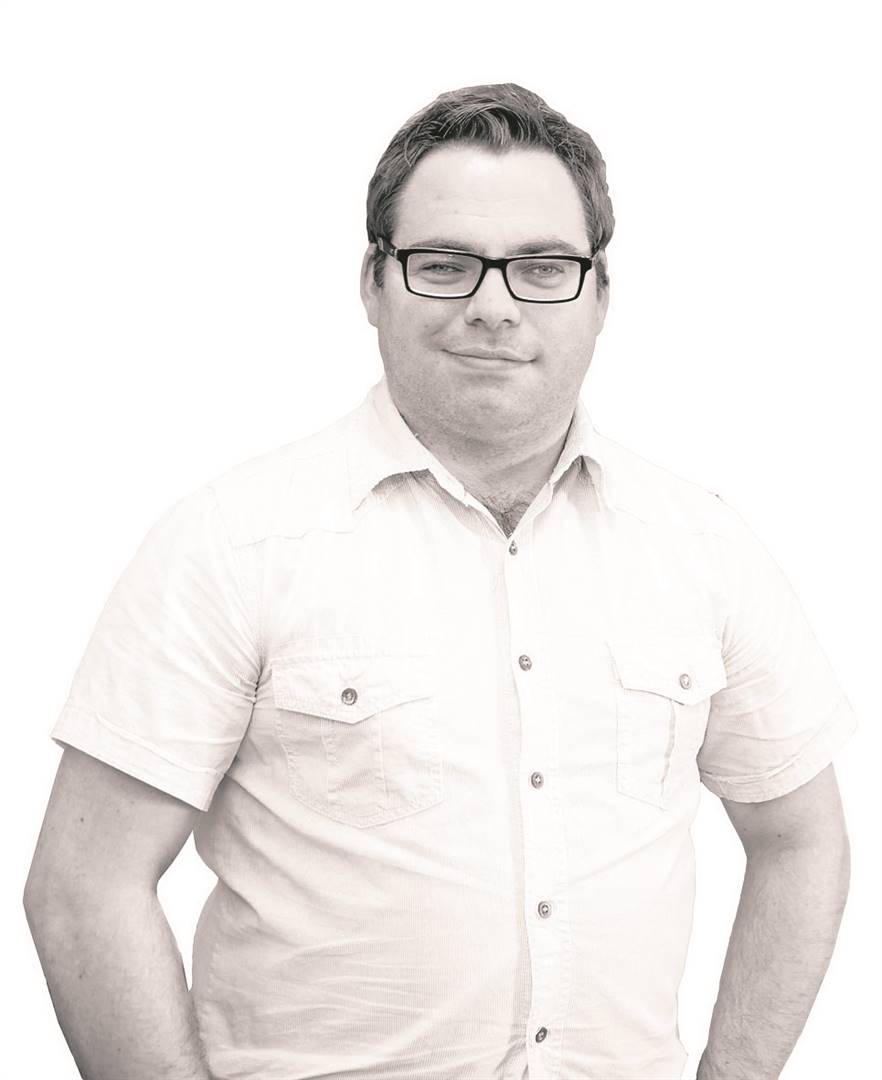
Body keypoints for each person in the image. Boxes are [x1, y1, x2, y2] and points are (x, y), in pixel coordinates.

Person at [24, 83, 855, 1080]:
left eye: (542, 268)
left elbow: (801, 839)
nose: (493, 306)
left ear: (600, 295)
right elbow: (85, 884)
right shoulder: (233, 544)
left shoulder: (702, 546)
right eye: (446, 265)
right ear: (373, 284)